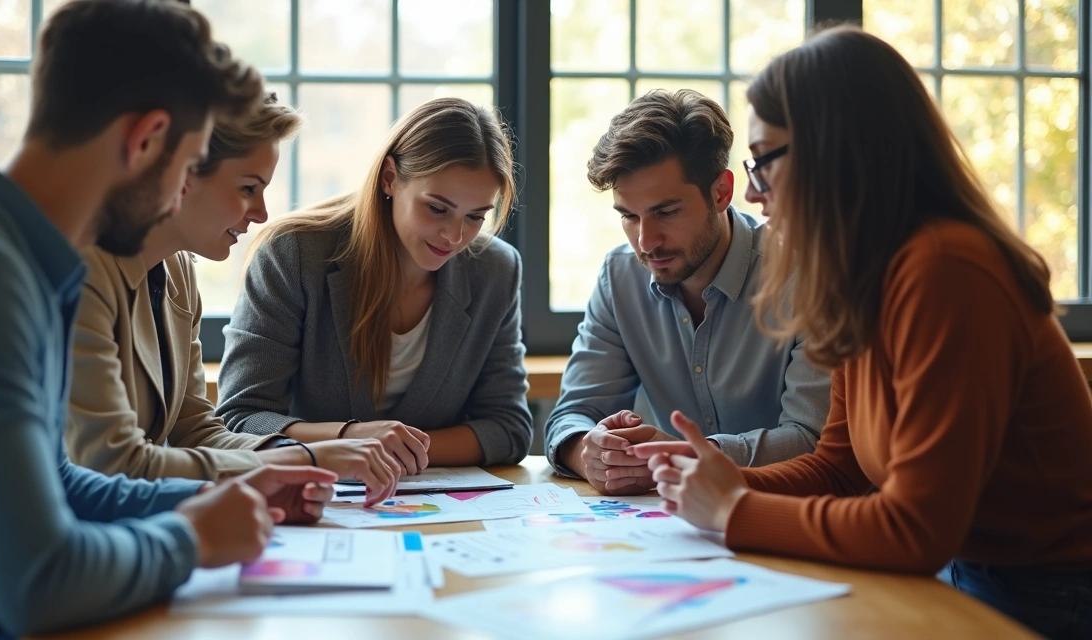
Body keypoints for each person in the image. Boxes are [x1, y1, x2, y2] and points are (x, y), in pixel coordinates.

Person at [0, 2, 336, 637]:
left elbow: (61, 483)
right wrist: (192, 538)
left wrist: (217, 495)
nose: (181, 193)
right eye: (189, 160)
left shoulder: (15, 254)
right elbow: (40, 583)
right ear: (145, 139)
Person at [632, 27, 1092, 640]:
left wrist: (736, 509)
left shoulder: (945, 270)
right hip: (967, 574)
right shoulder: (864, 273)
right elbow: (841, 469)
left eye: (765, 161)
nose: (754, 193)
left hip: (1049, 594)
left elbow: (916, 532)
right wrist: (715, 477)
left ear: (835, 152)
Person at [65, 93, 401, 504]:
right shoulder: (82, 271)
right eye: (247, 188)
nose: (261, 213)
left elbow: (197, 432)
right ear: (182, 173)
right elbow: (112, 462)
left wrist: (285, 467)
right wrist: (306, 459)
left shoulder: (178, 270)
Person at [217, 97, 533, 472]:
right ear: (390, 178)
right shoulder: (294, 254)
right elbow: (241, 417)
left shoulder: (495, 269)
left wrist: (396, 451)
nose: (454, 235)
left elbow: (509, 428)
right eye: (436, 208)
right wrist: (353, 439)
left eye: (476, 216)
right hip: (315, 499)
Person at [544, 89, 830, 496]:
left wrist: (686, 455)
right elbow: (573, 415)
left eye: (665, 212)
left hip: (792, 517)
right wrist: (587, 451)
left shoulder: (805, 275)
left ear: (721, 193)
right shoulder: (619, 276)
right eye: (628, 216)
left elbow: (812, 440)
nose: (645, 241)